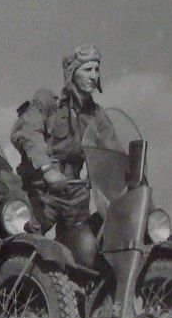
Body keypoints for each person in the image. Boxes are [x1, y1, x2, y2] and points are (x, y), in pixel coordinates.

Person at [10, 44, 119, 267]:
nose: (94, 76)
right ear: (72, 73)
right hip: (41, 192)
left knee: (86, 257)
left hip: (76, 194)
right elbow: (28, 132)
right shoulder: (47, 101)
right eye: (87, 70)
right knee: (26, 249)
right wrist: (47, 169)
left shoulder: (97, 115)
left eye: (97, 70)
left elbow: (113, 152)